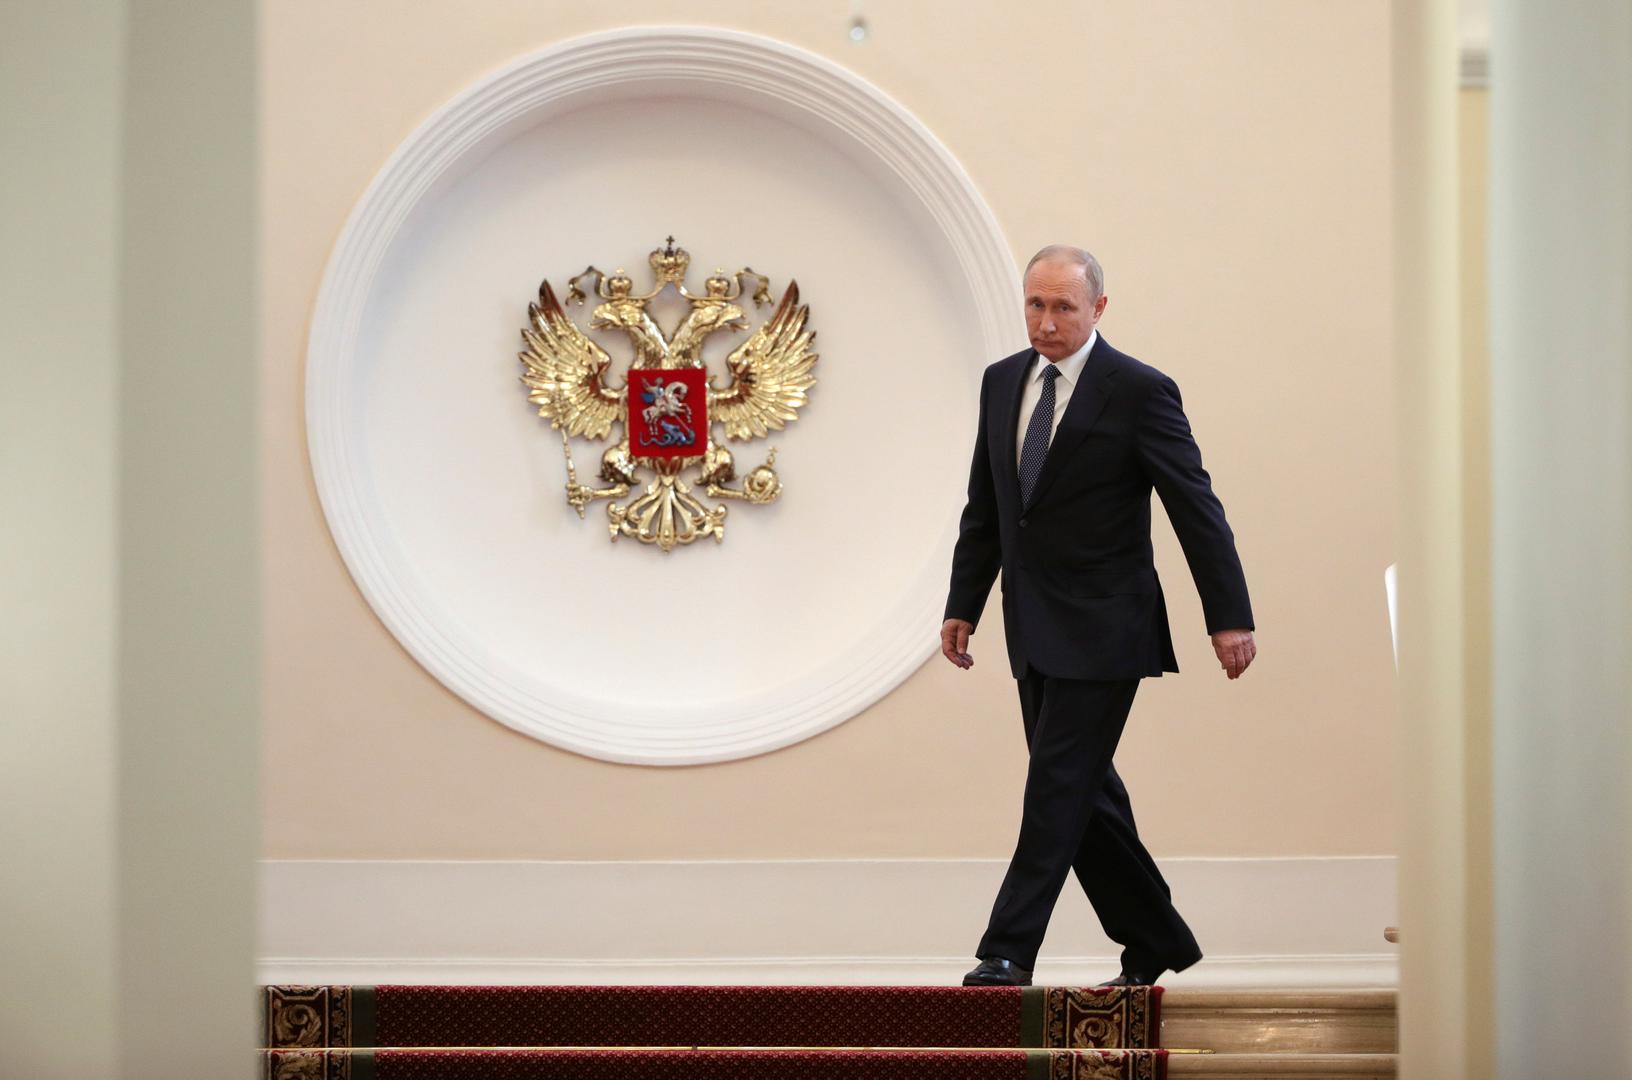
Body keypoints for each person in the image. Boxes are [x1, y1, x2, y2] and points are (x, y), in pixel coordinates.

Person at [942, 244, 1256, 988]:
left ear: (1098, 309)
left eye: (1064, 307)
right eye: (1035, 304)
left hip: (1108, 627)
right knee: (1088, 794)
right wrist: (964, 603)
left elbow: (1195, 506)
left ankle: (1007, 949)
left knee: (1056, 785)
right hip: (1032, 623)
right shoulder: (1001, 382)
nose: (1046, 322)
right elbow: (988, 507)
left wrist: (1228, 615)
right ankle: (1155, 938)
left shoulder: (1139, 390)